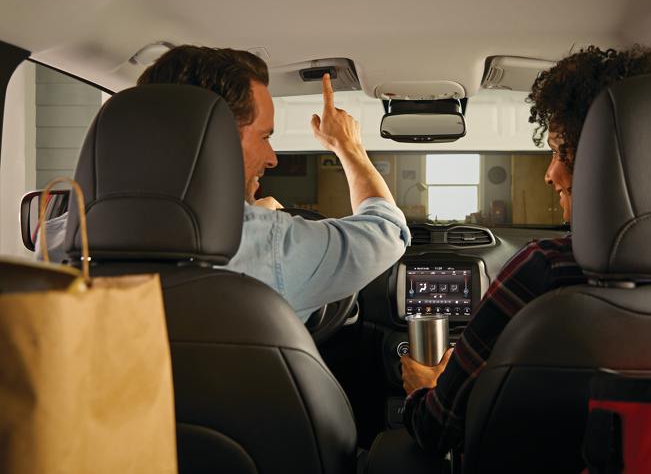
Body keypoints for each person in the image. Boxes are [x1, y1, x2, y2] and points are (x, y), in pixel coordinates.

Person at [400, 45, 651, 454]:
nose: (550, 174)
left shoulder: (546, 270)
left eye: (558, 152)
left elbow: (437, 429)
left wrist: (424, 390)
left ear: (602, 159)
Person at [39, 45, 410, 323]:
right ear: (216, 141)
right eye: (264, 137)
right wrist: (347, 146)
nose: (272, 159)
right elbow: (387, 231)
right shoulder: (270, 244)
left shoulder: (57, 241)